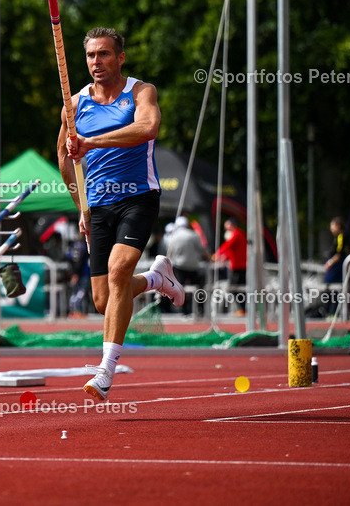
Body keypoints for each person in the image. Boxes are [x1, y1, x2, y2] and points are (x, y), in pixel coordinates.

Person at [57, 27, 184, 402]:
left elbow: (148, 127)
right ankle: (156, 279)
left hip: (138, 197)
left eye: (105, 54)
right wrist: (80, 205)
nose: (97, 62)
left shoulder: (141, 92)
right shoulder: (75, 103)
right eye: (91, 56)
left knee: (117, 272)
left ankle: (105, 370)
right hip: (98, 206)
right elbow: (64, 156)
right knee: (103, 299)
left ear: (120, 57)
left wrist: (91, 141)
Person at [164, 216, 210, 313]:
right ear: (187, 225)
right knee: (197, 287)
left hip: (179, 266)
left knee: (181, 288)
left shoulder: (173, 236)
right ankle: (199, 308)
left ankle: (184, 310)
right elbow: (202, 250)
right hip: (193, 266)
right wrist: (210, 258)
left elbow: (170, 252)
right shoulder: (193, 235)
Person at [212, 217, 246, 286]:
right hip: (238, 264)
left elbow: (228, 245)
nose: (226, 229)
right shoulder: (238, 233)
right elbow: (232, 248)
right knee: (236, 285)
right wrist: (225, 256)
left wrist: (217, 254)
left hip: (238, 265)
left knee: (235, 286)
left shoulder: (237, 234)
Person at [324, 216, 350, 284]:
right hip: (339, 265)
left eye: (332, 225)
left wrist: (330, 262)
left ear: (338, 226)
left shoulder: (341, 237)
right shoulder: (339, 237)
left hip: (338, 265)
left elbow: (339, 253)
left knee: (328, 282)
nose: (331, 228)